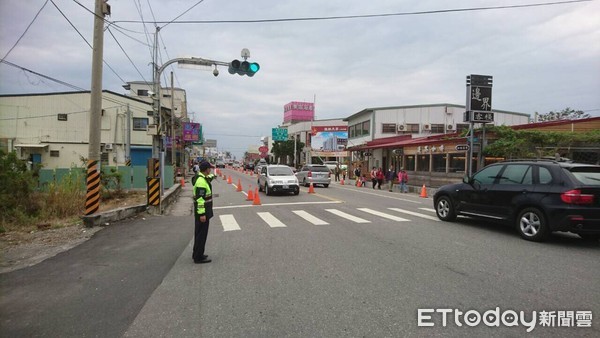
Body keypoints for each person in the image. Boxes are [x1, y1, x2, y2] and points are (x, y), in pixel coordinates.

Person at [193, 160, 215, 264]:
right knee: (201, 235)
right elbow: (200, 199)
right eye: (209, 168)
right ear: (206, 170)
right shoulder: (201, 182)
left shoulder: (202, 178)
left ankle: (197, 253)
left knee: (199, 234)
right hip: (202, 212)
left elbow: (208, 178)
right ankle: (198, 257)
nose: (210, 170)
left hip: (203, 211)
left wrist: (213, 177)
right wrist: (202, 214)